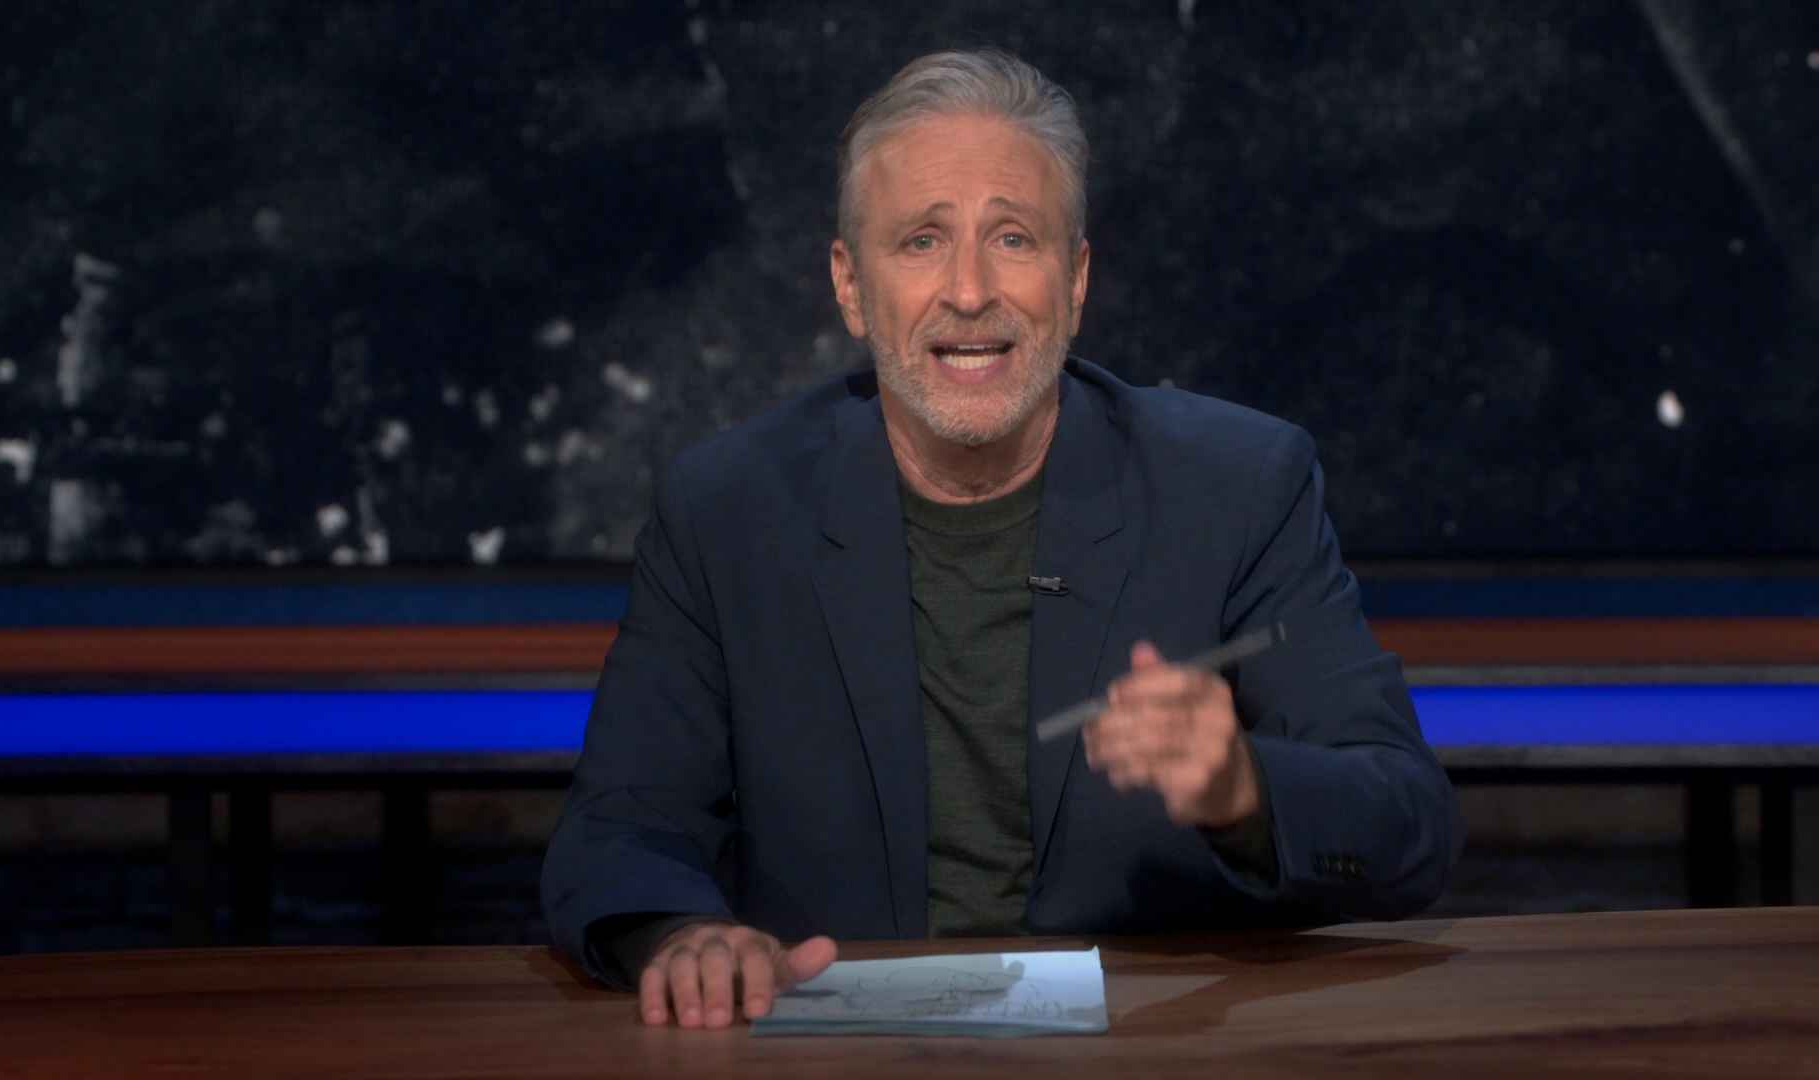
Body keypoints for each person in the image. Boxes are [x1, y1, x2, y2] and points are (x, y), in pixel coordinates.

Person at [542, 47, 1463, 1030]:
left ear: (1076, 280)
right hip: (839, 1053)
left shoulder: (1239, 487)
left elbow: (1408, 827)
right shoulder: (725, 510)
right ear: (850, 285)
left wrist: (1246, 789)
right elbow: (618, 829)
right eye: (922, 241)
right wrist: (682, 935)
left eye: (1014, 238)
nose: (970, 290)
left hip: (1158, 1048)